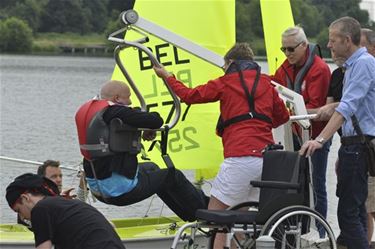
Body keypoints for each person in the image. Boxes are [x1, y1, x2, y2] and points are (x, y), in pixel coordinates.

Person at [153, 42, 289, 248]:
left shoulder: (226, 82)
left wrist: (167, 77)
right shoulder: (267, 84)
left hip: (239, 158)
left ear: (231, 62)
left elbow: (189, 96)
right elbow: (283, 117)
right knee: (241, 221)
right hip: (265, 161)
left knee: (215, 220)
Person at [75, 80, 208, 222]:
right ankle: (207, 210)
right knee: (173, 175)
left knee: (153, 168)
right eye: (128, 97)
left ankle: (189, 215)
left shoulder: (94, 113)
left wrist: (140, 126)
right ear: (117, 99)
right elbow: (156, 120)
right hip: (119, 191)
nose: (130, 101)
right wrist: (146, 123)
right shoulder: (115, 110)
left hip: (98, 189)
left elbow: (125, 123)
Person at [300, 17, 375, 249]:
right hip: (351, 145)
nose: (329, 45)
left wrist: (320, 139)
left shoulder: (363, 64)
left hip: (359, 146)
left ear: (347, 40)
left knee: (347, 214)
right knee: (357, 210)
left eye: (333, 40)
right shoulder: (352, 66)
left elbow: (347, 106)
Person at [271, 26, 331, 236]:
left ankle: (320, 233)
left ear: (304, 45)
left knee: (317, 185)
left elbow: (317, 109)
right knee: (295, 185)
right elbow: (273, 85)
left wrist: (289, 112)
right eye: (283, 49)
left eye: (290, 49)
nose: (286, 54)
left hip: (317, 136)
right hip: (294, 135)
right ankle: (297, 229)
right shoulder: (286, 67)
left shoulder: (320, 69)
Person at [6, 173, 125, 249]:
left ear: (25, 198)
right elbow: (110, 225)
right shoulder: (66, 205)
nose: (23, 218)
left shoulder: (40, 209)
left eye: (19, 210)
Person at [361, 28, 375, 248]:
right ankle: (364, 241)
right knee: (365, 203)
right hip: (360, 145)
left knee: (371, 203)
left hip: (371, 145)